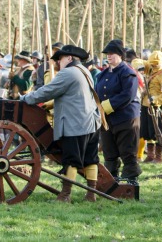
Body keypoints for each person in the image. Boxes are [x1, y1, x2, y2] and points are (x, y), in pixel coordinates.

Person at [20, 45, 102, 202]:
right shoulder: (84, 71)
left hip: (75, 124)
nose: (58, 62)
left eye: (60, 58)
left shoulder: (68, 73)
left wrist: (25, 99)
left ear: (70, 58)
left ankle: (65, 195)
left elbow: (47, 91)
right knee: (91, 159)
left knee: (70, 159)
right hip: (91, 122)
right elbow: (72, 97)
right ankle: (91, 195)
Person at [95, 39, 142, 183]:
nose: (109, 56)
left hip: (125, 118)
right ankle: (111, 180)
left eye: (113, 53)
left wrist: (105, 107)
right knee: (109, 152)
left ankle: (131, 181)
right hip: (107, 120)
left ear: (120, 55)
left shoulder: (128, 72)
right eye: (107, 54)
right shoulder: (102, 74)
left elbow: (127, 95)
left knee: (127, 151)